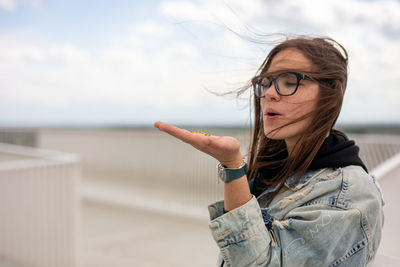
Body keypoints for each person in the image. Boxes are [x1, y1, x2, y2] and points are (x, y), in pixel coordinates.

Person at [154, 36, 384, 266]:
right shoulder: (276, 170)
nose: (269, 94)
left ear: (330, 95)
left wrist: (233, 168)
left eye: (289, 81)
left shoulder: (351, 197)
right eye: (266, 82)